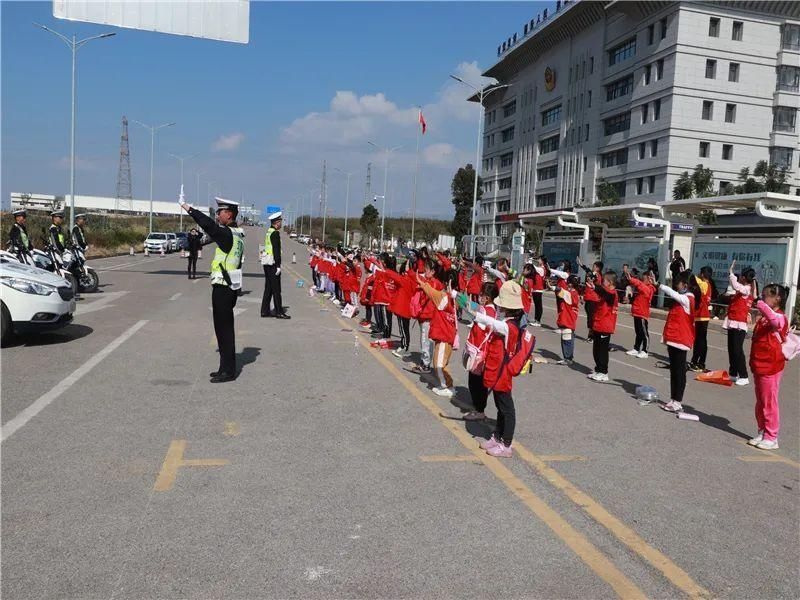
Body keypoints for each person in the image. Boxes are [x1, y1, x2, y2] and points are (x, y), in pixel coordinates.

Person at [181, 196, 245, 383]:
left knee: (224, 329)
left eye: (220, 212)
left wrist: (189, 208)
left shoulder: (227, 234)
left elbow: (208, 225)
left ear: (229, 214)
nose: (217, 215)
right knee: (223, 329)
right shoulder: (238, 233)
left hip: (224, 288)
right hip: (229, 285)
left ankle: (228, 371)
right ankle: (224, 367)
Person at [470, 280, 527, 458]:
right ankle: (497, 436)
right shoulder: (507, 321)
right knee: (500, 406)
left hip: (503, 371)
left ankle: (506, 443)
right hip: (496, 369)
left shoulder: (510, 326)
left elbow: (491, 323)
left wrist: (470, 308)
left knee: (506, 408)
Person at [747, 284, 790, 450]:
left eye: (767, 295)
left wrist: (761, 304)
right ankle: (762, 430)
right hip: (759, 364)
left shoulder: (780, 317)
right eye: (763, 295)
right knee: (761, 401)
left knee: (769, 401)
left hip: (771, 365)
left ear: (777, 298)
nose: (764, 298)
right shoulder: (764, 317)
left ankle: (772, 436)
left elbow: (774, 319)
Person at [658, 271, 695, 413]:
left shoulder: (688, 299)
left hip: (681, 340)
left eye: (678, 284)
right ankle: (673, 399)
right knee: (674, 371)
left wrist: (660, 286)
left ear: (685, 285)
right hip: (673, 339)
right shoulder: (681, 298)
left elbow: (674, 294)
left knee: (679, 372)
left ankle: (678, 401)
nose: (676, 286)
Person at [462, 282, 500, 421]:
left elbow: (469, 307)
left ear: (488, 297)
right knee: (477, 382)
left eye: (482, 294)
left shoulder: (485, 312)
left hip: (479, 353)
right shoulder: (492, 310)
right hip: (481, 352)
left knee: (475, 382)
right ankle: (478, 407)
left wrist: (456, 295)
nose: (479, 296)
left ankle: (479, 410)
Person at [417, 270, 457, 397]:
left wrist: (420, 280)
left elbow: (430, 291)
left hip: (444, 336)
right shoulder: (454, 298)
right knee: (442, 363)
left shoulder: (443, 297)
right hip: (447, 335)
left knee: (438, 364)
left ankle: (448, 386)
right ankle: (445, 384)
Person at [723, 260, 756, 386]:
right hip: (732, 321)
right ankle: (733, 373)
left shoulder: (747, 289)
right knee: (731, 349)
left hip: (739, 324)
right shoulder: (743, 289)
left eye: (740, 276)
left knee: (737, 350)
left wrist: (731, 273)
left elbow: (737, 286)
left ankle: (744, 375)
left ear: (743, 277)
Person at [588, 270, 619, 382]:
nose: (602, 282)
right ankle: (598, 369)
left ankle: (603, 372)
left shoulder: (612, 294)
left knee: (602, 351)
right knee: (596, 349)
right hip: (598, 324)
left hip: (605, 326)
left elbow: (604, 293)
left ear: (610, 282)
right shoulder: (605, 291)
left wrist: (595, 287)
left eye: (604, 281)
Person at [260, 211, 290, 319]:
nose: (281, 224)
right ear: (277, 222)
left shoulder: (269, 231)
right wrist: (278, 265)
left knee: (268, 288)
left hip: (266, 263)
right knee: (276, 289)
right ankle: (279, 312)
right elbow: (276, 250)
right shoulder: (275, 233)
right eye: (280, 221)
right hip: (273, 263)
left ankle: (264, 311)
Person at [624, 266, 657, 358]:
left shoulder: (649, 289)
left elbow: (639, 284)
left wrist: (632, 279)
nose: (642, 280)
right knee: (638, 332)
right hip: (637, 312)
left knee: (644, 333)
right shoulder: (642, 287)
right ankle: (636, 348)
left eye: (644, 278)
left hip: (642, 313)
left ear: (649, 279)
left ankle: (645, 350)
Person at [688, 266, 714, 372]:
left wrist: (689, 273)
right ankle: (698, 361)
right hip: (701, 316)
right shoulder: (708, 285)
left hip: (702, 316)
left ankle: (698, 362)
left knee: (700, 340)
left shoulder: (704, 285)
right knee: (701, 340)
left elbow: (695, 279)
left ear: (703, 274)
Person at [554, 275, 580, 365]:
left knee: (566, 340)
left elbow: (559, 291)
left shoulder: (569, 294)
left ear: (569, 284)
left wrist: (552, 286)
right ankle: (568, 358)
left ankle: (568, 358)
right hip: (570, 320)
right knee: (568, 339)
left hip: (567, 320)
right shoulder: (575, 293)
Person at [577, 257, 602, 342]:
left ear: (598, 268)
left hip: (594, 299)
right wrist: (581, 265)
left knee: (592, 318)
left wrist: (586, 270)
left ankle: (592, 336)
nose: (592, 267)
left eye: (594, 266)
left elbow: (592, 276)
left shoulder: (597, 275)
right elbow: (588, 272)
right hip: (588, 298)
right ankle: (591, 335)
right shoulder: (592, 273)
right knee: (589, 317)